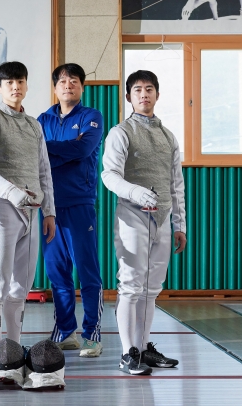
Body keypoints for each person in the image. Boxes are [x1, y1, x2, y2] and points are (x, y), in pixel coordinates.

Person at [102, 70, 186, 376]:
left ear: (157, 95)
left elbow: (176, 184)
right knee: (131, 285)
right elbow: (109, 175)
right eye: (137, 90)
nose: (143, 94)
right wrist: (136, 192)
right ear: (128, 97)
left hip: (162, 219)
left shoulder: (168, 136)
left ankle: (143, 347)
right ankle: (128, 353)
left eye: (149, 89)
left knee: (151, 289)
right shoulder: (120, 132)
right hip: (132, 215)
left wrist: (180, 224)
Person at [0, 61, 56, 346]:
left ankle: (14, 346)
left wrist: (50, 212)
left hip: (32, 214)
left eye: (20, 81)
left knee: (21, 288)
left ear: (26, 85)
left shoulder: (34, 125)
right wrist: (11, 192)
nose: (15, 87)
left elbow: (44, 171)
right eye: (9, 82)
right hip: (1, 212)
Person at [37, 63, 104, 357]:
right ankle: (65, 332)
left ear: (82, 87)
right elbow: (36, 155)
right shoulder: (43, 119)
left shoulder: (91, 116)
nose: (68, 85)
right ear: (55, 88)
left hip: (79, 202)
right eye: (63, 81)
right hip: (49, 206)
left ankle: (92, 334)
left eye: (74, 81)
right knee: (57, 272)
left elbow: (83, 150)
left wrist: (50, 148)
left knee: (87, 271)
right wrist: (67, 148)